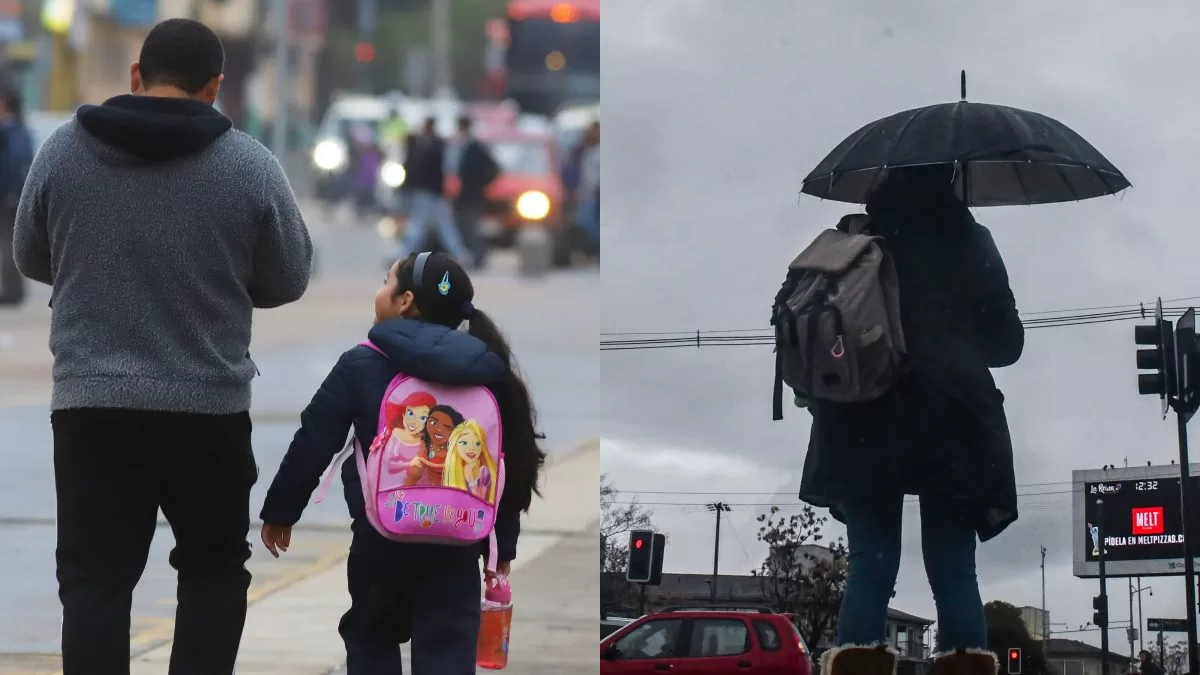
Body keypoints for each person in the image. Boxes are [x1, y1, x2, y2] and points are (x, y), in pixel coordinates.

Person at [13, 18, 313, 675]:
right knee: (212, 568)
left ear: (135, 75)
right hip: (207, 408)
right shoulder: (249, 164)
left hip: (91, 406)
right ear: (215, 87)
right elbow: (290, 276)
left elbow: (31, 255)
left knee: (94, 578)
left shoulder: (63, 151)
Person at [258, 252, 546, 675]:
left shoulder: (362, 361)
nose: (380, 290)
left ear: (405, 300)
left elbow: (314, 441)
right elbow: (508, 461)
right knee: (448, 648)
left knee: (371, 636)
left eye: (386, 282)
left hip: (380, 538)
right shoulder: (486, 369)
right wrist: (502, 545)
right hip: (459, 539)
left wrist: (281, 512)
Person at [802, 165, 1024, 675]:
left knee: (870, 565)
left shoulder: (857, 241)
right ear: (949, 174)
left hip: (860, 414)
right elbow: (1007, 345)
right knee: (953, 569)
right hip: (953, 419)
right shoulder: (972, 241)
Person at [396, 117, 472, 265]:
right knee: (443, 226)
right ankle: (461, 255)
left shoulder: (426, 145)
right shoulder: (439, 144)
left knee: (421, 225)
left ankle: (403, 254)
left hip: (428, 193)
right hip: (435, 193)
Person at [447, 115, 500, 269]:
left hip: (471, 195)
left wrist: (480, 184)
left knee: (471, 227)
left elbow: (492, 169)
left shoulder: (475, 148)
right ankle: (468, 256)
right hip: (461, 195)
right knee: (461, 225)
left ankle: (478, 257)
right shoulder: (458, 146)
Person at [0, 84, 32, 306]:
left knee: (8, 244)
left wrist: (11, 193)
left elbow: (12, 166)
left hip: (9, 196)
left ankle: (12, 292)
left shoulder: (9, 131)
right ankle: (13, 291)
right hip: (14, 194)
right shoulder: (19, 129)